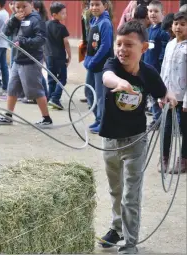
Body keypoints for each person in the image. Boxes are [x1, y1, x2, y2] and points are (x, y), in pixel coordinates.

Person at [98, 20, 177, 254]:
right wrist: (120, 83)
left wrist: (169, 98)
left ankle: (130, 243)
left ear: (143, 48)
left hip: (135, 142)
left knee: (131, 195)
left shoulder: (148, 73)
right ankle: (116, 228)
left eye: (129, 45)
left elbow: (164, 93)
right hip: (110, 140)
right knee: (116, 190)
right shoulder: (112, 65)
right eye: (119, 44)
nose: (122, 49)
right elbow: (106, 78)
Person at [0, 0, 52, 127]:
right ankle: (8, 116)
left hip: (30, 60)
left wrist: (24, 42)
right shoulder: (16, 18)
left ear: (31, 5)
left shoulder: (36, 19)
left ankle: (46, 118)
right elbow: (6, 32)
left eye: (24, 6)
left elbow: (41, 39)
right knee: (12, 88)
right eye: (17, 7)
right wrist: (13, 19)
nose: (20, 10)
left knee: (35, 90)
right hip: (17, 59)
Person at [159, 11, 187, 173]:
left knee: (184, 128)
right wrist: (160, 92)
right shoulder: (170, 44)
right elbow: (164, 70)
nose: (178, 27)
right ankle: (164, 158)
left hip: (183, 97)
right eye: (176, 24)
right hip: (169, 95)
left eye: (183, 24)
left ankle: (183, 159)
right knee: (166, 127)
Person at [83, 0, 114, 134]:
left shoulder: (105, 23)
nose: (94, 7)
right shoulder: (93, 21)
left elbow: (105, 46)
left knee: (100, 95)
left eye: (97, 4)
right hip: (92, 65)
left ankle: (103, 122)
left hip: (101, 65)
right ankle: (97, 117)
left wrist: (94, 60)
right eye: (92, 5)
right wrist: (87, 59)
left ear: (105, 6)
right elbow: (91, 44)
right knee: (89, 91)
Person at [144, 0, 170, 129]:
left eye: (156, 11)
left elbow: (164, 52)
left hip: (157, 70)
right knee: (149, 97)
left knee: (157, 96)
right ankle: (156, 118)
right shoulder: (147, 30)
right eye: (150, 11)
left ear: (162, 13)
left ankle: (158, 120)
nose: (153, 14)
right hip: (147, 68)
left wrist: (160, 67)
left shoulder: (162, 32)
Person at [45, 2, 71, 110]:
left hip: (48, 57)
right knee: (62, 79)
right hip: (59, 57)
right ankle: (55, 99)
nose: (65, 15)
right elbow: (66, 43)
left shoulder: (45, 25)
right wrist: (69, 56)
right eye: (63, 13)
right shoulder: (62, 28)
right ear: (55, 15)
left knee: (51, 78)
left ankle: (50, 98)